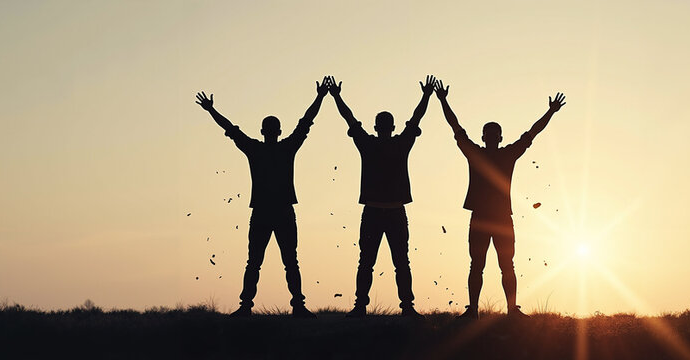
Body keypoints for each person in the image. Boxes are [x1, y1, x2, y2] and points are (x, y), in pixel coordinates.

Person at [193, 77, 332, 318]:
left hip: (263, 212)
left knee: (255, 262)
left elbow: (231, 129)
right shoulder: (286, 148)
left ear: (263, 131)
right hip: (282, 212)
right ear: (278, 131)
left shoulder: (255, 149)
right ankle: (296, 305)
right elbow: (305, 123)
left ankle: (248, 306)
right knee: (289, 261)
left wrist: (211, 110)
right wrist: (320, 97)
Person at [433, 78, 566, 319]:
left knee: (498, 265)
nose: (492, 137)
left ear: (490, 138)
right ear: (489, 137)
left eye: (493, 134)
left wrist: (550, 112)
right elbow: (530, 133)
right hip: (489, 218)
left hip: (494, 217)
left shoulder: (483, 153)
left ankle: (500, 310)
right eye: (490, 134)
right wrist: (443, 101)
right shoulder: (502, 154)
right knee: (486, 265)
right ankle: (483, 310)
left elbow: (457, 128)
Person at [327, 75, 436, 318]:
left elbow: (350, 118)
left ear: (376, 127)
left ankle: (360, 307)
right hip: (394, 211)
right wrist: (426, 96)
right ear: (392, 127)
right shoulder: (400, 143)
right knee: (400, 263)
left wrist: (336, 97)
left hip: (375, 212)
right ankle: (405, 307)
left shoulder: (367, 144)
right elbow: (416, 119)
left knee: (367, 262)